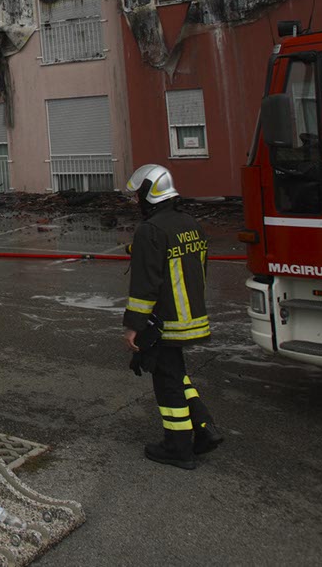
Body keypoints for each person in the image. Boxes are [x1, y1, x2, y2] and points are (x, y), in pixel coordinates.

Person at [123, 163, 223, 469]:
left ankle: (178, 447)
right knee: (175, 372)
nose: (136, 201)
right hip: (192, 316)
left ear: (148, 193)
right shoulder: (189, 223)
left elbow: (145, 285)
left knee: (167, 382)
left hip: (165, 321)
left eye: (137, 195)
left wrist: (134, 326)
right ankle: (204, 427)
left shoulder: (150, 230)